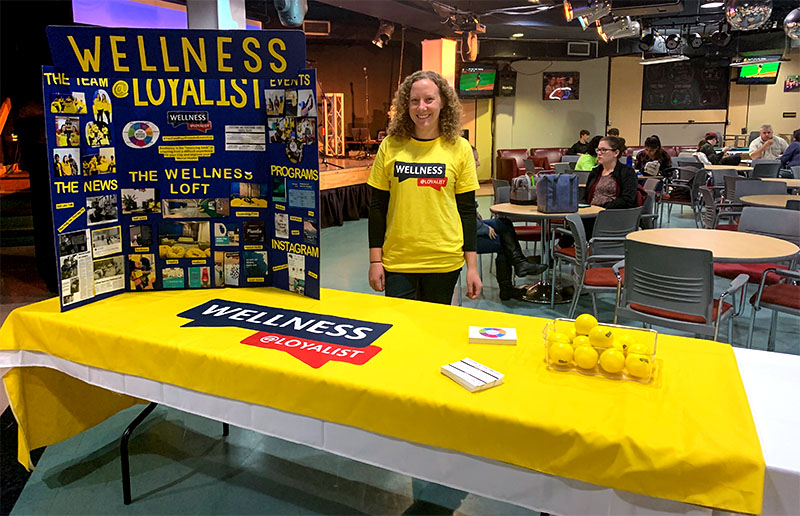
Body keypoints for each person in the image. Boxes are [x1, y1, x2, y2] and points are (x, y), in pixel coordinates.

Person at [367, 70, 481, 304]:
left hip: (444, 260)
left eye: (429, 99)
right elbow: (377, 207)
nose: (421, 107)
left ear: (443, 102)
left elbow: (467, 210)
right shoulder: (390, 145)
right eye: (414, 101)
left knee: (434, 325)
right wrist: (375, 260)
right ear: (405, 105)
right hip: (398, 260)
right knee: (399, 325)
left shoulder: (460, 148)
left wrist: (472, 267)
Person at [473, 147, 547, 301]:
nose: (478, 163)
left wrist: (476, 214)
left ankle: (520, 264)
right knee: (504, 244)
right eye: (476, 160)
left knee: (504, 223)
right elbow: (461, 217)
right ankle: (508, 286)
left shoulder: (467, 179)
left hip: (471, 226)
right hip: (463, 235)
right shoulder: (459, 181)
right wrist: (483, 228)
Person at [584, 136, 638, 209]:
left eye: (603, 150)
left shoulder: (627, 172)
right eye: (598, 150)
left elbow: (627, 199)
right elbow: (586, 196)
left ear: (616, 153)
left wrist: (604, 208)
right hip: (592, 211)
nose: (599, 153)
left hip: (613, 212)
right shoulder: (595, 172)